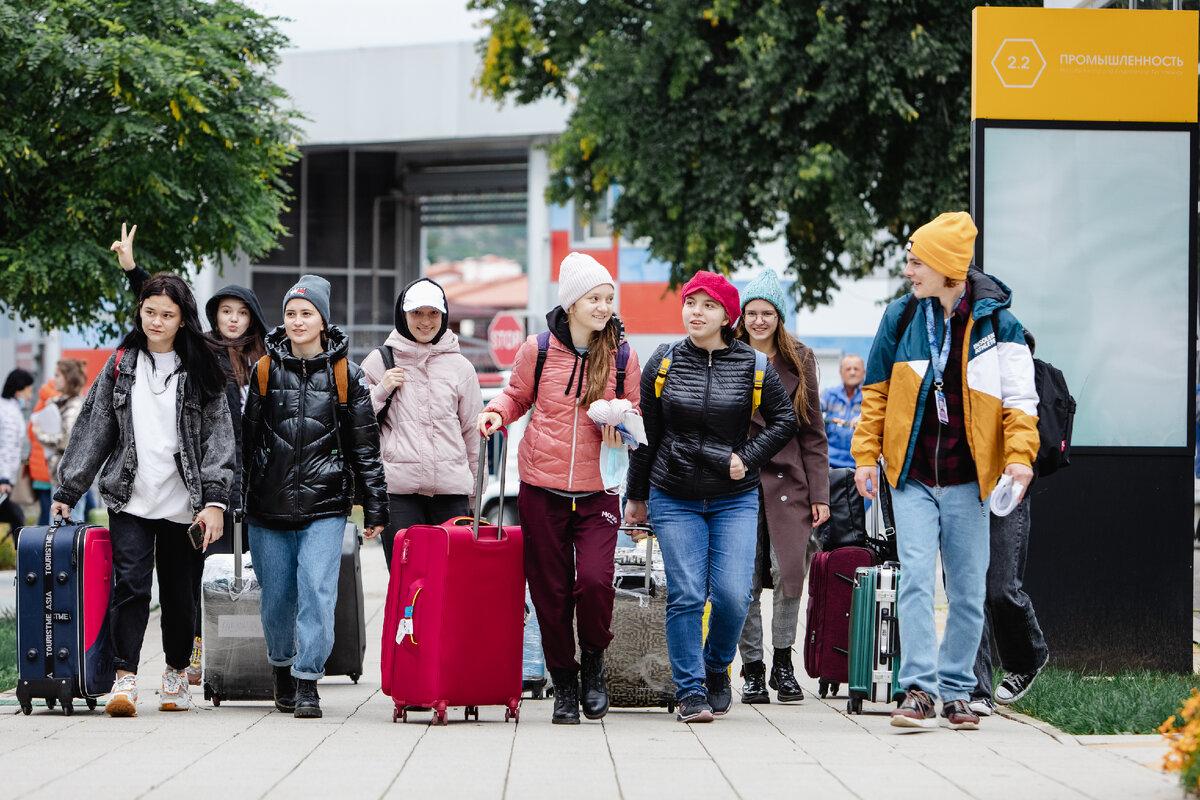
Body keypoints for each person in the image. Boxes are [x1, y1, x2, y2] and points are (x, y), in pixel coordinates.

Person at [850, 212, 1038, 731]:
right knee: (914, 578)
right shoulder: (902, 317)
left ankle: (958, 690)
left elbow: (1021, 401)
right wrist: (866, 456)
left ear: (947, 268)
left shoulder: (999, 324)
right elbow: (876, 394)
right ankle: (918, 690)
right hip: (910, 477)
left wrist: (1020, 456)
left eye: (917, 261)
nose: (908, 270)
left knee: (968, 588)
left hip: (968, 479)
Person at [51, 272, 236, 717]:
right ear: (140, 312)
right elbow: (94, 428)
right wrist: (69, 489)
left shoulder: (202, 370)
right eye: (150, 311)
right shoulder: (120, 366)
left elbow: (220, 439)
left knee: (179, 594)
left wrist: (214, 502)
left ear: (182, 319)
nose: (156, 321)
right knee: (130, 587)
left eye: (167, 314)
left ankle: (174, 675)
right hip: (130, 497)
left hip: (185, 504)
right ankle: (125, 678)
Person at [624, 270, 796, 724]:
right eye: (690, 303)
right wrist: (636, 495)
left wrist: (749, 455)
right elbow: (647, 436)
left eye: (707, 305)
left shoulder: (754, 366)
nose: (695, 312)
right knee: (685, 593)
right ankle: (691, 691)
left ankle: (717, 664)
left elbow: (785, 421)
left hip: (733, 496)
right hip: (674, 494)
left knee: (735, 594)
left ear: (726, 316)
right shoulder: (664, 361)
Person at [477, 252, 641, 725]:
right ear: (571, 303)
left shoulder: (623, 354)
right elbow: (516, 395)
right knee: (549, 591)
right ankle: (563, 682)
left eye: (609, 298)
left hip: (599, 487)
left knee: (593, 581)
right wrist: (497, 413)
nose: (604, 306)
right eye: (594, 298)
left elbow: (635, 410)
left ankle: (593, 663)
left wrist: (625, 427)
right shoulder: (539, 348)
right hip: (541, 486)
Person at [113, 221, 270, 683]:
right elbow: (162, 308)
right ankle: (192, 654)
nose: (233, 319)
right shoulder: (204, 353)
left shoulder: (267, 359)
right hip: (206, 481)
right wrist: (132, 269)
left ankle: (224, 652)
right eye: (225, 311)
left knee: (222, 577)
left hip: (243, 481)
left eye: (242, 312)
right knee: (191, 574)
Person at [242, 275, 388, 719]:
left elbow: (366, 446)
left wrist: (375, 505)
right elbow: (245, 443)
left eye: (307, 313)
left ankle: (308, 680)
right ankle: (282, 669)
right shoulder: (265, 370)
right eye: (290, 313)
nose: (298, 321)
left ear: (323, 320)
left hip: (326, 505)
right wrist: (231, 497)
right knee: (276, 597)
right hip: (268, 506)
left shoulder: (349, 376)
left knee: (318, 591)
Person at [732, 270, 830, 704]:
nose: (758, 321)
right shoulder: (728, 355)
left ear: (779, 316)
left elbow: (813, 433)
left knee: (790, 572)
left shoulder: (800, 360)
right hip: (736, 481)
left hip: (790, 482)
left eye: (766, 313)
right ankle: (752, 670)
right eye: (751, 313)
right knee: (742, 579)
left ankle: (783, 665)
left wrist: (821, 494)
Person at [362, 277, 484, 569]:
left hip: (452, 494)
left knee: (453, 583)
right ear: (403, 316)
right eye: (417, 313)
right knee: (408, 579)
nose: (425, 321)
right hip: (399, 494)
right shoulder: (381, 361)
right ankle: (408, 619)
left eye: (433, 313)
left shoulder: (461, 367)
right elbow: (353, 419)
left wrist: (475, 498)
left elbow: (473, 434)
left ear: (443, 316)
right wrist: (381, 391)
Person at [968, 331, 1050, 717]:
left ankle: (1029, 656)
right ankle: (977, 689)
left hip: (1007, 489)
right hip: (964, 489)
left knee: (1002, 588)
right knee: (970, 592)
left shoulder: (1022, 387)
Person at [31, 359, 88, 519]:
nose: (53, 379)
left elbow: (66, 440)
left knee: (68, 532)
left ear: (68, 378)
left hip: (70, 479)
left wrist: (40, 434)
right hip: (60, 475)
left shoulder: (75, 406)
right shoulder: (59, 403)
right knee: (57, 530)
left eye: (57, 375)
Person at [0, 369, 35, 536]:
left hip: (7, 478)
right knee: (18, 519)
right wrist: (4, 479)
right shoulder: (8, 413)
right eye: (29, 390)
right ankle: (21, 560)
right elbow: (6, 447)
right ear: (18, 389)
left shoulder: (11, 409)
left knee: (17, 519)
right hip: (3, 480)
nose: (30, 395)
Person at [821, 354, 865, 469]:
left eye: (856, 369)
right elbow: (810, 412)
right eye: (848, 369)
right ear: (841, 373)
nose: (852, 372)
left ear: (864, 373)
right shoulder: (829, 394)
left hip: (861, 462)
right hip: (830, 461)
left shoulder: (871, 396)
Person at [27, 378, 58, 526]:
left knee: (46, 510)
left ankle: (38, 543)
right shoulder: (56, 405)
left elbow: (30, 433)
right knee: (51, 513)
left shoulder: (40, 405)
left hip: (38, 467)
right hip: (51, 465)